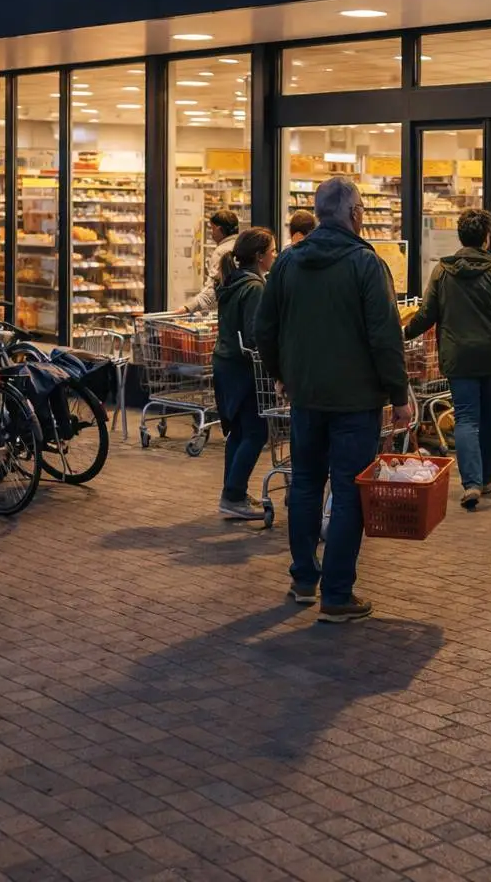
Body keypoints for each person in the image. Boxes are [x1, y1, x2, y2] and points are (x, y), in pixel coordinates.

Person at [255, 177, 412, 623]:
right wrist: (399, 395)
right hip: (356, 401)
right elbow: (385, 338)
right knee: (347, 492)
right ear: (355, 213)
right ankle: (337, 595)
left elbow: (264, 328)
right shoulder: (366, 264)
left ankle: (304, 580)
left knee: (303, 484)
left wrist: (282, 374)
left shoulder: (287, 263)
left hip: (306, 396)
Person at [404, 209, 491, 511]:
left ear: (461, 237)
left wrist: (404, 332)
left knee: (466, 418)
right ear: (487, 238)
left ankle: (471, 483)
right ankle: (486, 478)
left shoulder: (443, 272)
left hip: (459, 357)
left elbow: (427, 314)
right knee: (490, 418)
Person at [212, 227, 278, 521]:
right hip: (244, 368)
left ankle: (233, 491)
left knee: (239, 431)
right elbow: (255, 335)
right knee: (255, 431)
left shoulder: (233, 282)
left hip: (226, 364)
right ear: (260, 256)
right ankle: (233, 495)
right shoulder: (254, 288)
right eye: (273, 251)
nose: (275, 255)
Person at [176, 209, 240, 314]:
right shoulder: (242, 246)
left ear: (219, 230)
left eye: (212, 229)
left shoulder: (221, 252)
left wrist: (188, 307)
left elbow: (213, 291)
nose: (211, 234)